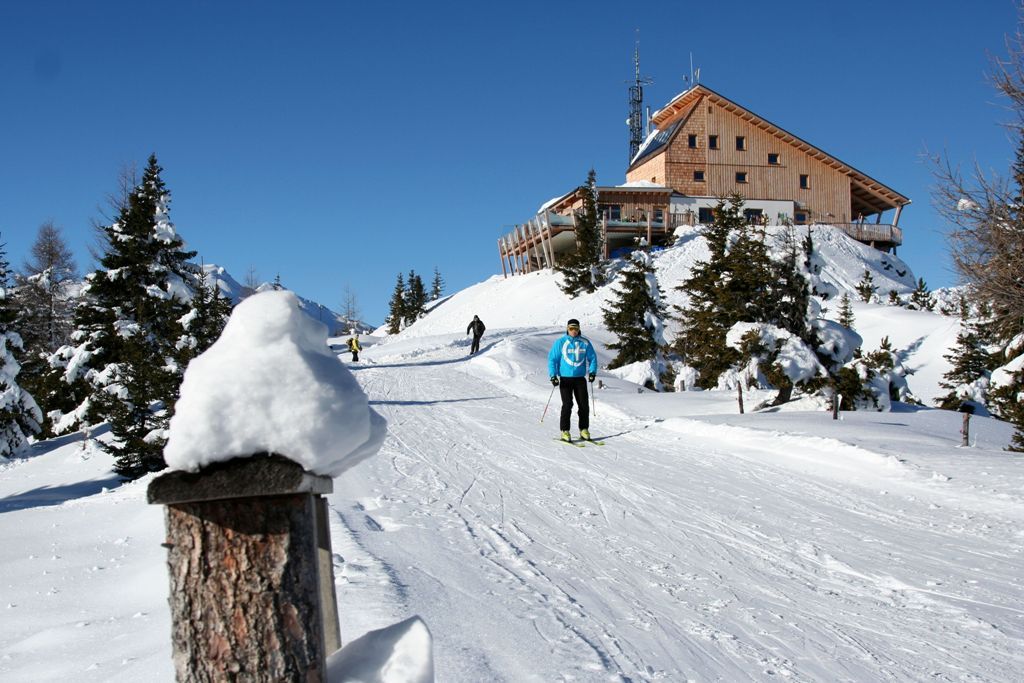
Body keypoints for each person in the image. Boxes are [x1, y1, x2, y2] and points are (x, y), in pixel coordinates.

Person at [548, 318, 597, 442]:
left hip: (580, 379)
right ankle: (565, 431)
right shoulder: (560, 342)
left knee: (584, 405)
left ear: (579, 329)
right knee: (567, 404)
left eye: (576, 328)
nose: (573, 331)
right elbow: (552, 359)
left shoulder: (585, 342)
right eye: (571, 328)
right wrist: (553, 376)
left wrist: (592, 372)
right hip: (565, 379)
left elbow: (592, 358)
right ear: (567, 329)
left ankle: (584, 429)